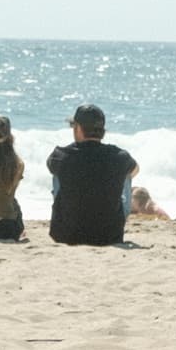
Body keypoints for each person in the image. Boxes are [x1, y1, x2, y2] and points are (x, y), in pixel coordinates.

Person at [48, 102, 140, 246]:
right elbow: (136, 171)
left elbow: (52, 169)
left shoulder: (60, 155)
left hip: (67, 235)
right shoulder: (119, 156)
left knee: (57, 172)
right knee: (126, 172)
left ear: (78, 128)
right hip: (109, 235)